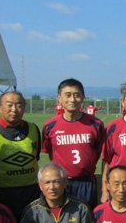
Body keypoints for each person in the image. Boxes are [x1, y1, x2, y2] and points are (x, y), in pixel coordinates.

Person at [42, 78, 106, 209]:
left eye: (77, 95)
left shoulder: (96, 124)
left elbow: (99, 152)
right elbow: (51, 153)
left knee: (86, 221)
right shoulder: (50, 126)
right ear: (59, 98)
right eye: (68, 95)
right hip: (60, 182)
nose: (72, 99)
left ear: (83, 97)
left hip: (86, 182)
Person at [0, 91, 41, 222]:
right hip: (2, 195)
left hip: (31, 193)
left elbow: (35, 157)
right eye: (9, 105)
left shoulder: (34, 129)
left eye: (19, 105)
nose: (14, 110)